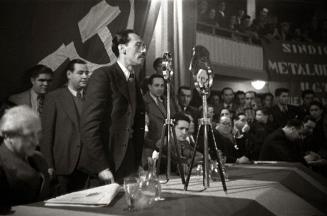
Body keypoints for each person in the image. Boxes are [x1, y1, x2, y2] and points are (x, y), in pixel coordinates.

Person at [80, 29, 146, 184]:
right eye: (138, 45)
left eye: (144, 46)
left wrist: (137, 162)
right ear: (122, 48)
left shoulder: (134, 81)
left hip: (128, 161)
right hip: (107, 163)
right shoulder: (103, 76)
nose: (143, 50)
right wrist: (102, 167)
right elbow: (89, 126)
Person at [40, 59, 89, 195]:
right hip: (63, 167)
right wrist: (49, 165)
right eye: (80, 73)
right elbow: (46, 135)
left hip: (88, 168)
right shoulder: (54, 98)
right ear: (69, 74)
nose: (85, 76)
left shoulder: (92, 98)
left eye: (87, 73)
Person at [0, 106, 50, 209]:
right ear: (8, 136)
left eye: (39, 134)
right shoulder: (1, 166)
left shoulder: (39, 159)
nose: (36, 142)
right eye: (29, 135)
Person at [143, 74, 170, 166]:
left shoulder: (165, 101)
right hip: (149, 149)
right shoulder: (143, 102)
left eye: (162, 86)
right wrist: (155, 143)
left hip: (166, 146)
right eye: (156, 85)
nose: (160, 88)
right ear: (149, 86)